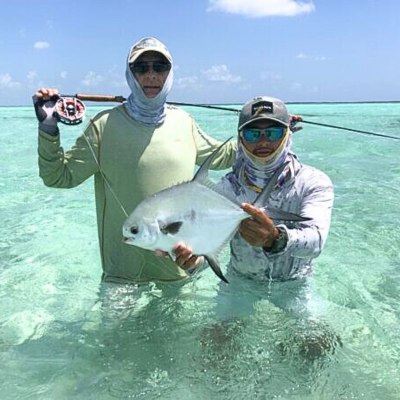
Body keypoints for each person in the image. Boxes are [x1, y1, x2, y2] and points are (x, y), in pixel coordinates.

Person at [32, 37, 237, 283]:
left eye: (160, 67)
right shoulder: (103, 126)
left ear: (169, 73)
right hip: (121, 277)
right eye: (141, 67)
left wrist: (270, 130)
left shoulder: (185, 122)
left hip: (178, 276)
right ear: (130, 74)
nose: (151, 75)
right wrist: (48, 127)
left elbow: (225, 155)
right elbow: (58, 177)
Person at [173, 96, 336, 358]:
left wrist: (276, 238)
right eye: (252, 132)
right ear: (240, 139)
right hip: (240, 282)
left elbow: (316, 242)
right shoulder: (225, 189)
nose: (262, 142)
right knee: (214, 348)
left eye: (273, 132)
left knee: (320, 346)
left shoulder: (313, 182)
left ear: (286, 135)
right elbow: (211, 249)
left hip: (293, 285)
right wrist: (192, 264)